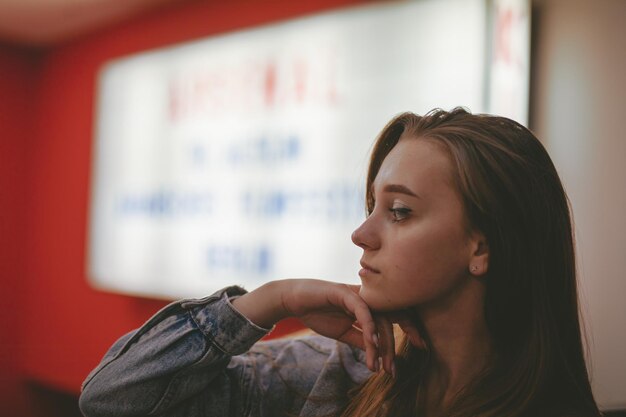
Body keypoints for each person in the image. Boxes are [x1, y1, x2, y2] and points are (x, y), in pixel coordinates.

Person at [79, 108, 601, 417]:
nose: (361, 234)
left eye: (399, 211)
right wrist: (271, 300)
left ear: (481, 248)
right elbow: (109, 398)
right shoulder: (339, 370)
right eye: (371, 206)